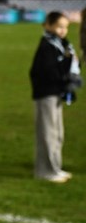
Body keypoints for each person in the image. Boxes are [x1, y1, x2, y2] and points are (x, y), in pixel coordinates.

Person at [29, 11, 81, 182]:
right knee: (48, 134)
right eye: (59, 27)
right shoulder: (46, 46)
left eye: (65, 27)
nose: (62, 31)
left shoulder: (62, 45)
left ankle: (55, 168)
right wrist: (63, 79)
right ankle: (46, 171)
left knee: (57, 133)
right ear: (48, 25)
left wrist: (71, 79)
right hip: (46, 94)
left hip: (56, 93)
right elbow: (42, 72)